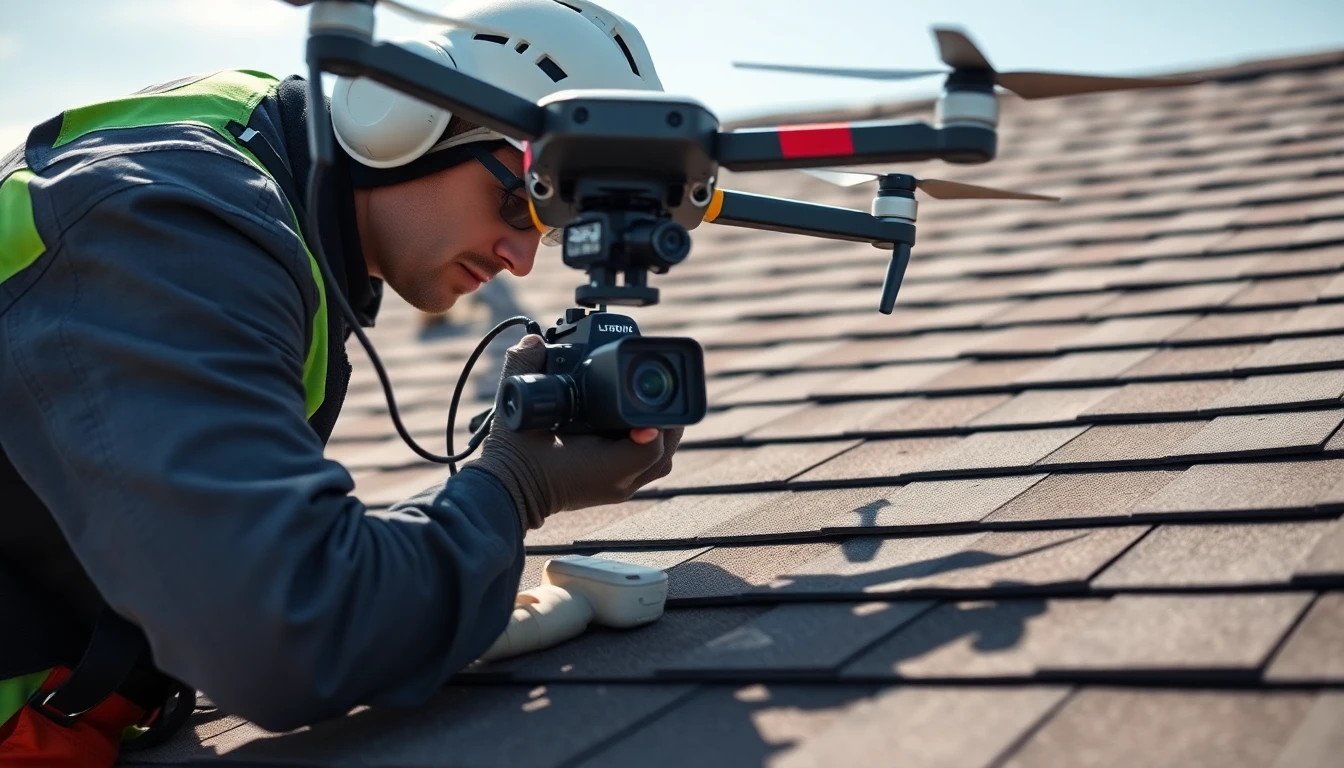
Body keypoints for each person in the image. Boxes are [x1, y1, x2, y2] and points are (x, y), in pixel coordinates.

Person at [0, 1, 681, 763]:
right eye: (521, 201)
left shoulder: (257, 163)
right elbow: (290, 632)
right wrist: (515, 486)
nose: (523, 258)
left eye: (547, 228)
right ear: (402, 118)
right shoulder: (172, 227)